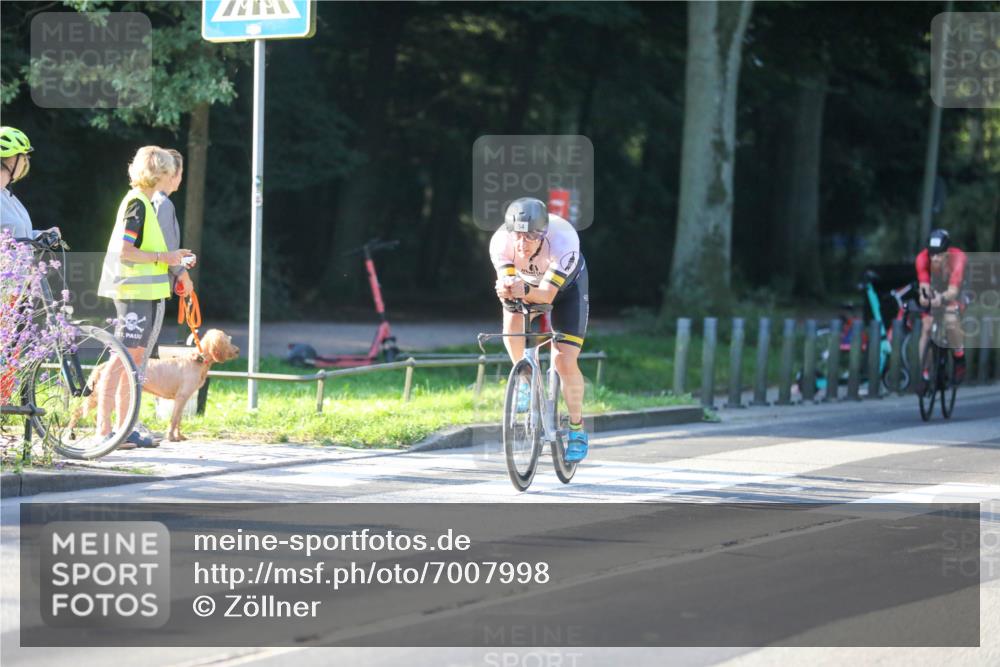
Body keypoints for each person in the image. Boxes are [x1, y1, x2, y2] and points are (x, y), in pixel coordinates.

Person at [97, 146, 193, 449]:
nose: (171, 177)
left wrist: (172, 258)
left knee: (133, 358)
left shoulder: (147, 204)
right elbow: (127, 251)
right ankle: (103, 430)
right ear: (158, 173)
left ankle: (122, 429)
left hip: (143, 291)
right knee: (122, 357)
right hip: (131, 290)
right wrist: (166, 256)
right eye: (167, 171)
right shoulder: (137, 204)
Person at [489, 197, 590, 462]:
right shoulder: (500, 242)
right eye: (517, 237)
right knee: (511, 314)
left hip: (567, 291)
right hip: (530, 286)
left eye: (530, 238)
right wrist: (505, 288)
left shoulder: (564, 240)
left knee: (563, 361)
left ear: (543, 234)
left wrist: (523, 289)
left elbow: (545, 296)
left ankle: (577, 429)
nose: (521, 245)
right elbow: (509, 285)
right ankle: (523, 378)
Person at [915, 228, 967, 388]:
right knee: (926, 326)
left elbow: (953, 290)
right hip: (935, 288)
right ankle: (923, 372)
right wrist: (924, 297)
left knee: (950, 319)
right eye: (932, 254)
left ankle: (959, 356)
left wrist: (942, 298)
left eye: (939, 255)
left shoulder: (958, 258)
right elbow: (924, 284)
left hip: (954, 289)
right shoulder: (922, 258)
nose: (935, 258)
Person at [0, 126, 59, 240]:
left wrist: (40, 236)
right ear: (13, 160)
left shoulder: (6, 195)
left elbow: (14, 236)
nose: (26, 162)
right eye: (25, 157)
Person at [152, 149, 194, 296]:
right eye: (181, 173)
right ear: (172, 175)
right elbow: (167, 249)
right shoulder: (164, 204)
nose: (181, 178)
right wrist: (183, 275)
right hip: (153, 286)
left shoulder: (150, 200)